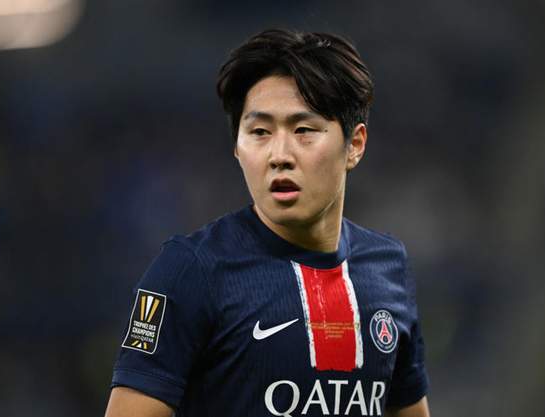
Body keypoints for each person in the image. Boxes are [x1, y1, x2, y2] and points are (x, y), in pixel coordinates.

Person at [104, 28, 430, 417]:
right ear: (237, 148)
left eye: (304, 130)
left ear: (354, 145)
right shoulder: (190, 271)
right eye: (259, 132)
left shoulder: (388, 266)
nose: (279, 155)